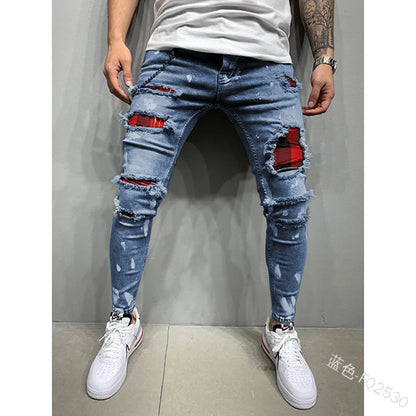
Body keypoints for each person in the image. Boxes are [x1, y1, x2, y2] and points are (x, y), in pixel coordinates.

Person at [87, 0, 335, 409]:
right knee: (134, 195)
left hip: (266, 63)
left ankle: (281, 329)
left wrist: (325, 57)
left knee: (290, 206)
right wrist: (116, 39)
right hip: (173, 54)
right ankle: (122, 321)